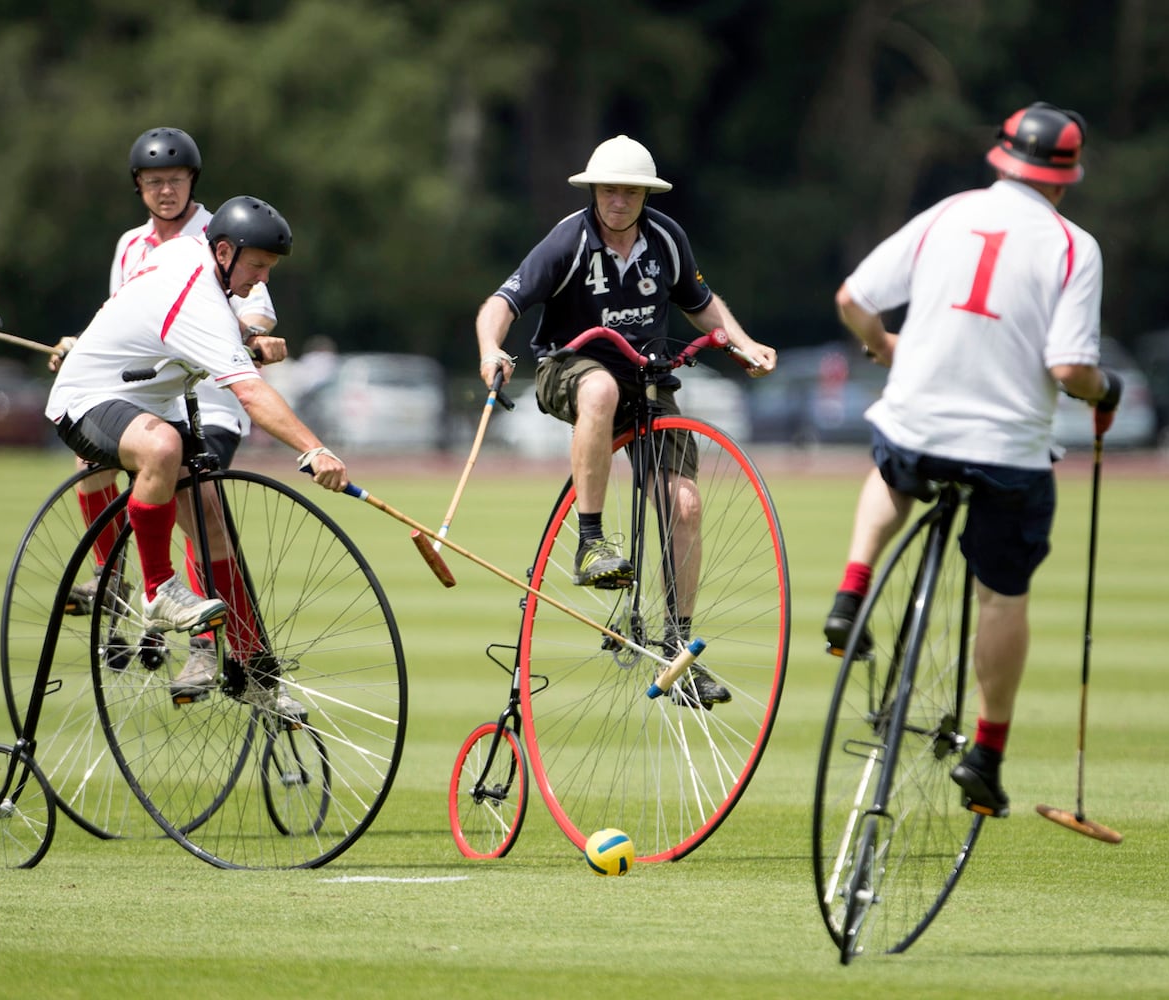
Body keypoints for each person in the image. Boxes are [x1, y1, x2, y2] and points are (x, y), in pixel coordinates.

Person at [821, 102, 1123, 817]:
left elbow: (851, 300)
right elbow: (1070, 366)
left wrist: (886, 348)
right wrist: (1104, 389)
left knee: (892, 461)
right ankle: (985, 754)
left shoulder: (948, 213)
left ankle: (850, 593)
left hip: (918, 424)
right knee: (1000, 594)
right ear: (1064, 179)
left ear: (1000, 160)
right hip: (1006, 452)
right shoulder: (1074, 246)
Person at [474, 135, 777, 707]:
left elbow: (700, 301)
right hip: (571, 369)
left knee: (685, 503)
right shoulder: (568, 239)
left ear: (645, 194)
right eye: (610, 188)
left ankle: (679, 650)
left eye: (630, 190)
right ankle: (590, 543)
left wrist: (743, 341)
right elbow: (503, 302)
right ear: (595, 190)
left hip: (649, 380)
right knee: (600, 388)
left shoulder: (665, 238)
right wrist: (492, 348)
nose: (619, 198)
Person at [45, 195, 345, 714]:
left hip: (146, 400)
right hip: (89, 402)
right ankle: (156, 589)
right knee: (163, 447)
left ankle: (254, 667)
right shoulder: (196, 294)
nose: (262, 280)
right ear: (224, 252)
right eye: (257, 267)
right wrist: (313, 449)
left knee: (210, 520)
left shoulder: (191, 254)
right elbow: (250, 393)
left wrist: (247, 333)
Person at [54, 126, 286, 684]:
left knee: (199, 509)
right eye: (154, 182)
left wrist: (250, 337)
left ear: (192, 183)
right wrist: (80, 347)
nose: (165, 192)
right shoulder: (130, 246)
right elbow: (121, 309)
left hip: (210, 399)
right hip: (147, 395)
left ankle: (209, 644)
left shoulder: (224, 234)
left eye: (175, 181)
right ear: (138, 187)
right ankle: (113, 579)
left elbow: (257, 309)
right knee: (92, 459)